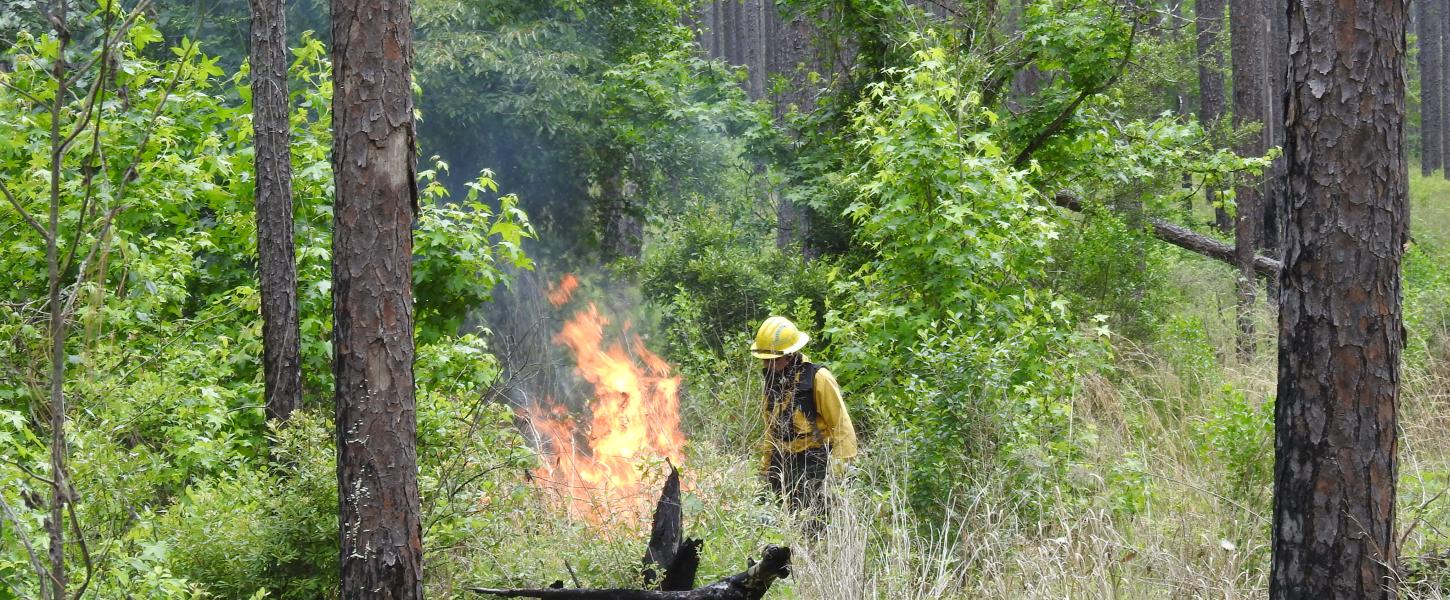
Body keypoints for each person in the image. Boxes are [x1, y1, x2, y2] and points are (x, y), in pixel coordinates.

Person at [751, 316, 857, 517]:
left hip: (815, 460)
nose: (766, 365)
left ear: (790, 355)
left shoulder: (818, 378)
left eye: (771, 359)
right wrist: (765, 470)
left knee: (811, 523)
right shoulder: (773, 382)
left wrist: (837, 476)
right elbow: (771, 431)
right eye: (764, 359)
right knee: (767, 517)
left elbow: (842, 426)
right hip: (782, 460)